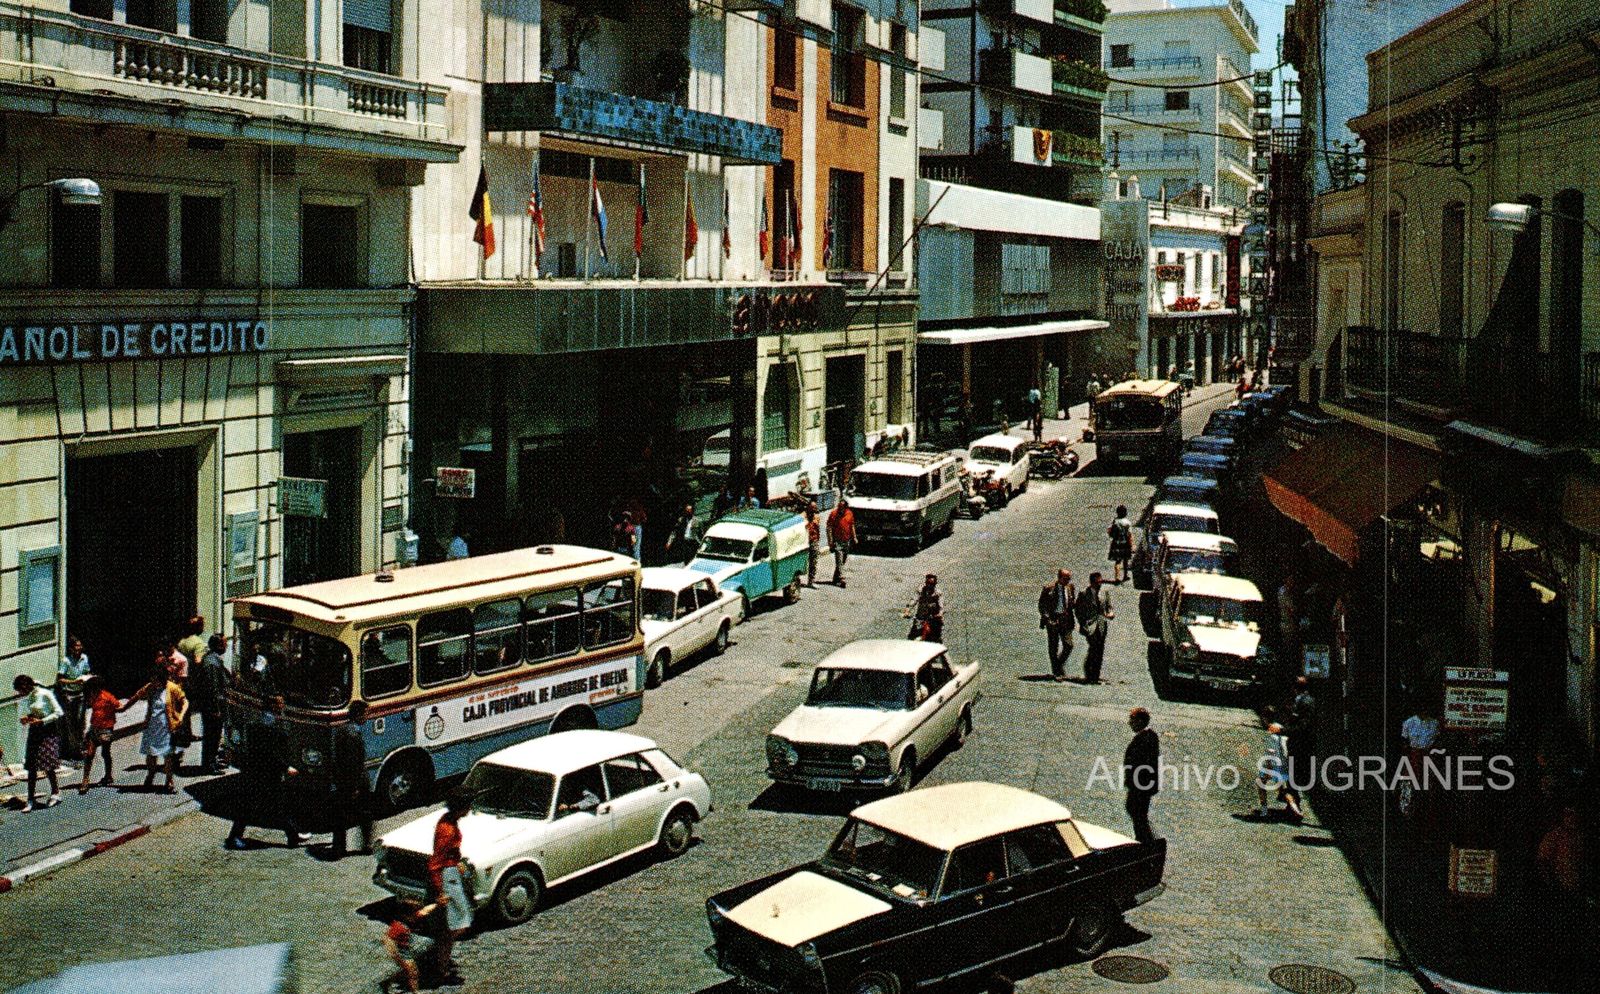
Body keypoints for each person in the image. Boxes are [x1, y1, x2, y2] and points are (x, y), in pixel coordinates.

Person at [225, 695, 302, 849]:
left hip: (257, 771)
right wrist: (285, 767)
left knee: (270, 805)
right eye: (280, 703)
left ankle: (293, 835)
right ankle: (234, 837)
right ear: (273, 706)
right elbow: (269, 752)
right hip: (265, 773)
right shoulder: (269, 725)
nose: (283, 705)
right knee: (264, 805)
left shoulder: (258, 721)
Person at [121, 657, 188, 794]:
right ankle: (150, 775)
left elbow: (185, 702)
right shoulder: (150, 687)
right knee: (151, 754)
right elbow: (136, 697)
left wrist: (180, 717)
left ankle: (169, 780)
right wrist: (123, 709)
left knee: (167, 755)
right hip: (152, 725)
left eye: (156, 680)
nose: (154, 682)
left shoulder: (172, 688)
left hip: (167, 727)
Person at [430, 787, 476, 982]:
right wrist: (441, 891)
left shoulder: (448, 820)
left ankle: (442, 961)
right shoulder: (447, 830)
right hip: (447, 877)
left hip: (452, 871)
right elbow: (435, 864)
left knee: (455, 923)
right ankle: (441, 967)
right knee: (456, 925)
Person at [14, 674, 63, 811]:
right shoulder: (30, 696)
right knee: (31, 765)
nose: (21, 694)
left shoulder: (45, 693)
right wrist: (28, 718)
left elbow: (58, 712)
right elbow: (35, 712)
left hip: (47, 731)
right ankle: (30, 799)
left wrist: (42, 721)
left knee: (48, 764)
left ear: (27, 686)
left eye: (21, 690)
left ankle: (56, 792)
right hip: (35, 731)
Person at [331, 700, 374, 859]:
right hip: (354, 780)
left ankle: (338, 847)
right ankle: (366, 845)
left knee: (340, 815)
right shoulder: (352, 734)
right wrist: (355, 786)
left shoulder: (342, 730)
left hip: (343, 779)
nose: (367, 717)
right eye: (365, 714)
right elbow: (353, 762)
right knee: (365, 813)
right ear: (358, 714)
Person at [189, 634, 233, 774]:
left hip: (213, 706)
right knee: (212, 736)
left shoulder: (212, 660)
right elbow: (212, 688)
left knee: (213, 735)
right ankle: (209, 764)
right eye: (225, 644)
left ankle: (211, 761)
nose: (226, 646)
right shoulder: (212, 663)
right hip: (213, 707)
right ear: (219, 645)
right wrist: (215, 708)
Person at [382, 899, 443, 993]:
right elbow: (387, 940)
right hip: (399, 951)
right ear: (406, 915)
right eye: (415, 914)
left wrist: (437, 904)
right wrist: (397, 957)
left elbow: (425, 911)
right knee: (413, 972)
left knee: (408, 971)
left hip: (405, 949)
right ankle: (415, 992)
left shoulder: (410, 917)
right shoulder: (399, 926)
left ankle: (389, 982)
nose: (418, 915)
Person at [1123, 708, 1160, 844]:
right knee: (1137, 814)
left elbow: (1142, 764)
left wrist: (1134, 784)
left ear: (1139, 721)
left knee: (1137, 814)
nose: (1129, 723)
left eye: (1131, 720)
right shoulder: (1148, 737)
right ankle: (1144, 841)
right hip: (1141, 786)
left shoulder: (1145, 738)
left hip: (1140, 786)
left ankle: (1145, 842)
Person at [78, 675, 120, 793]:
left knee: (105, 753)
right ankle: (85, 781)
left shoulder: (107, 697)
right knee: (89, 754)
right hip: (94, 728)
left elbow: (119, 706)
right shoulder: (92, 697)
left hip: (106, 729)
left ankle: (108, 775)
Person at [1256, 722, 1303, 821]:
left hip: (1273, 766)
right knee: (1282, 789)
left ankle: (1264, 809)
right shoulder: (1286, 739)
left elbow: (1270, 753)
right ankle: (1295, 807)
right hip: (1284, 767)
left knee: (1261, 784)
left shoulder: (1272, 738)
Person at [56, 634, 91, 762]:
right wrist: (73, 682)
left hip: (81, 694)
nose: (79, 649)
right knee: (71, 724)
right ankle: (73, 751)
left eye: (80, 646)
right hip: (69, 694)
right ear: (71, 649)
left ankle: (81, 748)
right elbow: (60, 679)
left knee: (81, 721)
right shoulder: (66, 661)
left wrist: (87, 679)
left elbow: (86, 672)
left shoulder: (84, 658)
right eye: (76, 647)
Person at [1074, 572, 1115, 684]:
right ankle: (1089, 674)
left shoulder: (1104, 593)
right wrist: (1083, 623)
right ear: (1092, 582)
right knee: (1093, 649)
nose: (1100, 585)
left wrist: (1110, 614)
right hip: (1089, 625)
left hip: (1101, 625)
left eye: (1101, 582)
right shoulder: (1084, 594)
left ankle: (1095, 676)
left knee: (1100, 650)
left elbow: (1109, 607)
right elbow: (1078, 610)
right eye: (1098, 583)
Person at [1038, 570, 1076, 682]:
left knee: (1069, 645)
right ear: (1059, 578)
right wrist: (1047, 618)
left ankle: (1058, 664)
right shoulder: (1049, 589)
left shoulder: (1070, 588)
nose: (1068, 581)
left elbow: (1071, 602)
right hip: (1053, 620)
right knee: (1053, 647)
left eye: (1069, 578)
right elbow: (1042, 605)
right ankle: (1056, 672)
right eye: (1066, 578)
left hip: (1066, 620)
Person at [1536, 807, 1584, 894]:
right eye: (1569, 815)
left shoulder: (1579, 837)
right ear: (1563, 817)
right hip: (1559, 887)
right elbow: (1542, 861)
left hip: (1576, 886)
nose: (1572, 818)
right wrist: (1550, 883)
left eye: (1574, 815)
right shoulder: (1554, 836)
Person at [1285, 676, 1318, 799]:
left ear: (1294, 688)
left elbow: (1302, 726)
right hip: (1303, 743)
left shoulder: (1304, 702)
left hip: (1301, 744)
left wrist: (1283, 730)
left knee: (1295, 774)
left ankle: (1295, 805)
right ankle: (1293, 803)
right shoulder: (1307, 700)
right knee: (1295, 774)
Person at [828, 498, 856, 588]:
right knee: (839, 560)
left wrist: (854, 537)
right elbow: (828, 528)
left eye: (842, 507)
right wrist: (830, 541)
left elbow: (852, 526)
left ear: (845, 507)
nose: (840, 508)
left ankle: (835, 578)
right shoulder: (833, 514)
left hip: (847, 541)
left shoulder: (849, 513)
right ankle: (842, 578)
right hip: (837, 541)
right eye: (839, 506)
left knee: (842, 561)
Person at [908, 574, 944, 642]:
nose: (929, 585)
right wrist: (908, 609)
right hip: (920, 618)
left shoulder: (938, 593)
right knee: (912, 637)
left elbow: (941, 606)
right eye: (928, 583)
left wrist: (940, 614)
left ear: (935, 584)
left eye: (931, 584)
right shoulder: (921, 590)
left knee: (935, 638)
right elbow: (914, 599)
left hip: (932, 619)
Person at [1106, 505, 1134, 584]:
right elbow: (1129, 535)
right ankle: (1125, 575)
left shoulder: (1115, 521)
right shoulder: (1127, 522)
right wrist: (1132, 545)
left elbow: (1109, 531)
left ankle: (1117, 577)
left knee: (1118, 561)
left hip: (1116, 543)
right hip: (1125, 543)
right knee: (1125, 560)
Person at [803, 503, 822, 588]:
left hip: (813, 541)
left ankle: (811, 581)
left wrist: (817, 540)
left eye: (815, 508)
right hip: (804, 542)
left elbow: (818, 530)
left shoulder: (817, 517)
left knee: (813, 562)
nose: (814, 510)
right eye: (812, 508)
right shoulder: (803, 516)